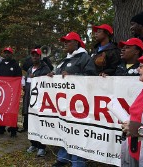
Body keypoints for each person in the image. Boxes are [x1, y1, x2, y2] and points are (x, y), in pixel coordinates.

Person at [49, 32, 96, 167]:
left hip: (79, 103)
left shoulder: (84, 57)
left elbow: (91, 77)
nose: (65, 44)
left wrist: (73, 76)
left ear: (76, 43)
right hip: (64, 103)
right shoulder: (65, 59)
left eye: (68, 41)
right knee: (65, 128)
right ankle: (63, 158)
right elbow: (60, 76)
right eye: (64, 41)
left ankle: (78, 162)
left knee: (78, 131)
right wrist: (52, 75)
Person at [122, 37, 143, 167]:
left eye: (142, 65)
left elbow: (141, 128)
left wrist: (141, 130)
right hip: (134, 154)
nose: (137, 69)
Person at [25, 48, 51, 157]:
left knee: (41, 123)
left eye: (36, 55)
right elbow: (26, 83)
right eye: (33, 55)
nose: (34, 57)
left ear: (40, 57)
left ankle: (42, 147)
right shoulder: (30, 69)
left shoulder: (45, 68)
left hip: (40, 101)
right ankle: (33, 144)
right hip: (30, 100)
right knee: (32, 123)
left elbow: (47, 82)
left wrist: (36, 77)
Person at [0, 47, 22, 136]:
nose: (7, 54)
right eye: (5, 53)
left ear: (11, 54)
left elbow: (19, 78)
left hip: (12, 93)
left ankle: (13, 129)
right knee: (0, 110)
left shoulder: (15, 65)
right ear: (3, 54)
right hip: (1, 92)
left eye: (8, 53)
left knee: (11, 111)